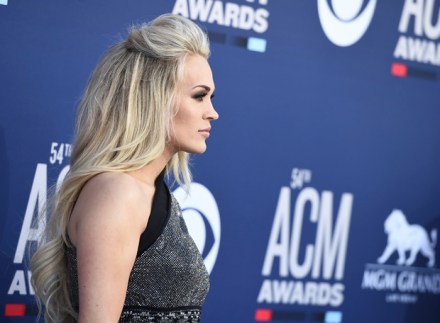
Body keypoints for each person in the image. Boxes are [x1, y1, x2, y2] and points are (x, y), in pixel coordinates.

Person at [30, 13, 219, 322]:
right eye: (199, 96)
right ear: (156, 97)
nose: (213, 113)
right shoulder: (118, 193)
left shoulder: (152, 192)